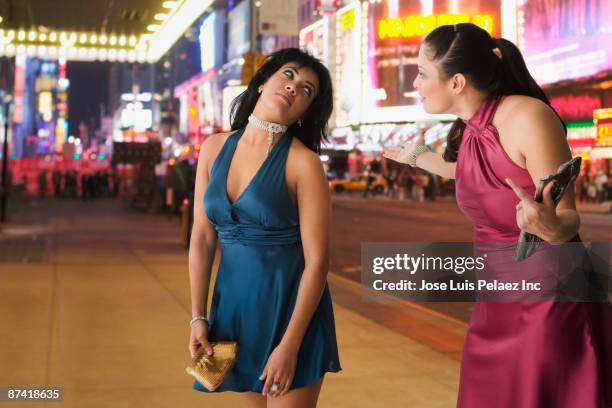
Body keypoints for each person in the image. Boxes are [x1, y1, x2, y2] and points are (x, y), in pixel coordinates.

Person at [385, 23, 611, 407]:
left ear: (456, 82)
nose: (417, 86)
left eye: (422, 74)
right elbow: (467, 172)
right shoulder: (472, 129)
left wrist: (550, 226)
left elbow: (568, 216)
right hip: (498, 297)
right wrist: (415, 157)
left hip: (548, 297)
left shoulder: (527, 117)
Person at [188, 48, 341, 407]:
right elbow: (202, 235)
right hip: (235, 314)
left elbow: (317, 261)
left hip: (292, 316)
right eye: (288, 75)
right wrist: (198, 316)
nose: (293, 88)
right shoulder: (213, 148)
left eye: (306, 89)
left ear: (307, 110)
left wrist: (290, 345)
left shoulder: (303, 165)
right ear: (262, 82)